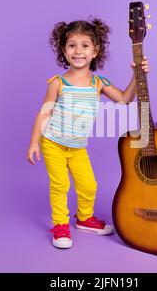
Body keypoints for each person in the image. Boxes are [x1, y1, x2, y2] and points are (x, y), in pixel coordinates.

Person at [27, 18, 149, 249]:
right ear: (64, 50)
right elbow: (44, 113)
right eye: (72, 45)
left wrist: (137, 75)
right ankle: (61, 225)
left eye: (85, 46)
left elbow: (124, 99)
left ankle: (84, 218)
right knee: (60, 185)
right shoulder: (58, 83)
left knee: (89, 185)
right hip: (53, 143)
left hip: (77, 147)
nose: (78, 51)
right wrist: (35, 141)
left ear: (95, 51)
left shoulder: (98, 83)